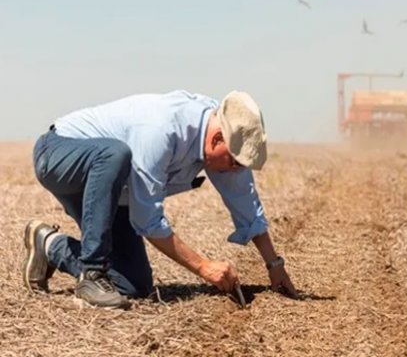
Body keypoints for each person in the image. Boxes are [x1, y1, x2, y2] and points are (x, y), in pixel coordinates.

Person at [24, 89, 297, 309]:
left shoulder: (227, 138)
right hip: (59, 154)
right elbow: (147, 219)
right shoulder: (161, 129)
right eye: (236, 163)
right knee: (114, 155)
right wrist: (204, 267)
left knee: (133, 285)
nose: (237, 170)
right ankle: (92, 275)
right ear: (216, 140)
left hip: (111, 189)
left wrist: (274, 265)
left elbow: (246, 203)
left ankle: (49, 245)